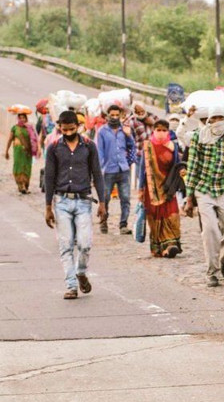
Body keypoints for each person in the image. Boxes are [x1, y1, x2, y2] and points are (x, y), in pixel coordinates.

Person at [183, 109, 224, 287]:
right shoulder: (199, 137)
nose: (217, 121)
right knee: (210, 230)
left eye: (221, 118)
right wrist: (189, 198)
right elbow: (193, 167)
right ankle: (211, 271)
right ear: (209, 120)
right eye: (214, 118)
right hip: (204, 189)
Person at [44, 111, 106, 299]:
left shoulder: (89, 146)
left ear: (77, 127)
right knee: (66, 245)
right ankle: (71, 285)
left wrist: (102, 202)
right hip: (61, 201)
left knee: (85, 244)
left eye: (72, 129)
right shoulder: (54, 148)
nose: (69, 132)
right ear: (60, 128)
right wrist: (48, 207)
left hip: (84, 201)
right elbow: (49, 177)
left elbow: (97, 174)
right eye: (65, 129)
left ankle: (81, 272)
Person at [138, 119, 183, 258]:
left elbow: (177, 165)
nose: (161, 133)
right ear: (153, 131)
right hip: (151, 189)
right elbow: (142, 169)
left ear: (168, 132)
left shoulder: (173, 146)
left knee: (171, 214)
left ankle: (170, 245)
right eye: (158, 130)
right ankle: (159, 247)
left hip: (168, 187)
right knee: (155, 217)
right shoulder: (148, 146)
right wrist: (141, 188)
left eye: (164, 130)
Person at [96, 104, 135, 235]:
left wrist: (129, 135)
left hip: (123, 168)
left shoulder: (125, 130)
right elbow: (99, 151)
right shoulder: (102, 131)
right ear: (107, 116)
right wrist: (99, 169)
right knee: (105, 198)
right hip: (108, 170)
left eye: (117, 115)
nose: (114, 117)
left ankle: (123, 224)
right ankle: (103, 222)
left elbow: (132, 146)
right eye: (112, 115)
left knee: (125, 198)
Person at [5, 110, 40, 194]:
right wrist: (6, 151)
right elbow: (10, 140)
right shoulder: (15, 128)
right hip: (18, 151)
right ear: (18, 118)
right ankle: (20, 186)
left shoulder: (30, 128)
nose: (22, 119)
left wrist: (38, 149)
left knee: (27, 168)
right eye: (20, 118)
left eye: (23, 118)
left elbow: (35, 139)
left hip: (27, 152)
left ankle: (26, 186)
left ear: (26, 118)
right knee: (18, 167)